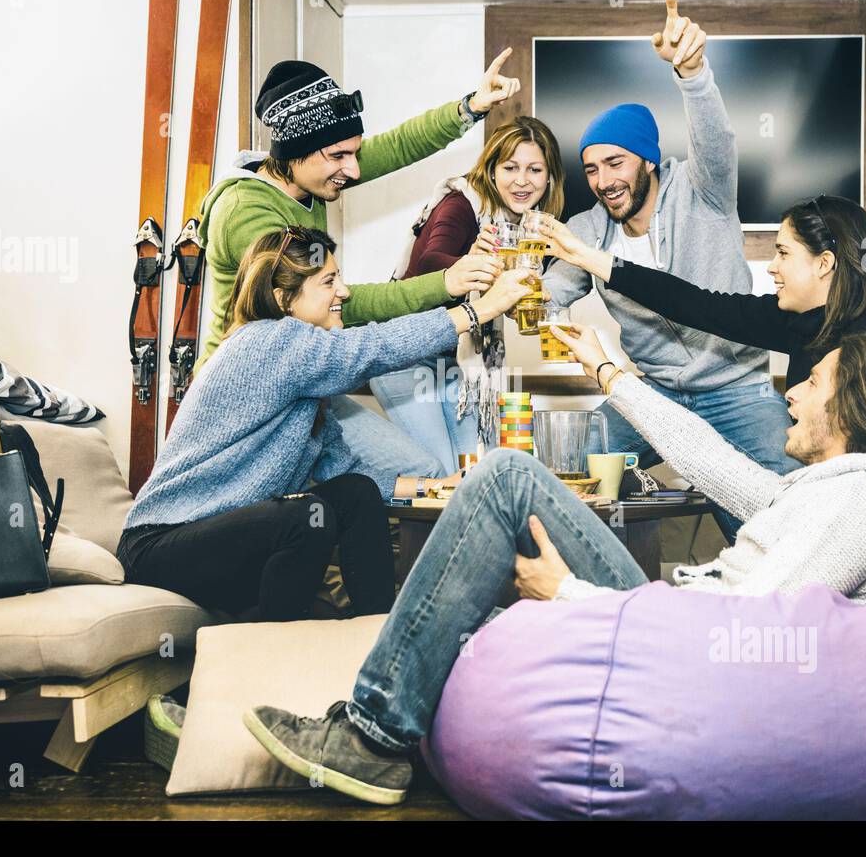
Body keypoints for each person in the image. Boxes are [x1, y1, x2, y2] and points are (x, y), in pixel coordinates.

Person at [243, 326, 866, 803]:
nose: (791, 394)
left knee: (503, 479)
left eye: (813, 382)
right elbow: (709, 461)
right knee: (483, 585)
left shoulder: (861, 500)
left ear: (859, 403)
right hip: (667, 615)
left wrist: (571, 592)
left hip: (677, 645)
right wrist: (608, 371)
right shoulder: (830, 490)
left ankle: (372, 734)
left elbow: (740, 638)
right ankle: (371, 726)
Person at [117, 227, 530, 622]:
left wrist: (439, 486)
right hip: (161, 547)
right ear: (283, 299)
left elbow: (346, 473)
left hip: (220, 544)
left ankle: (377, 633)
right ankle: (273, 657)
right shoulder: (268, 340)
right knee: (307, 514)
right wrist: (477, 311)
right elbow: (372, 348)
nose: (344, 292)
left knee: (354, 492)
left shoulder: (306, 381)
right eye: (329, 281)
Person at [192, 53, 522, 481]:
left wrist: (470, 107)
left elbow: (400, 145)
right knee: (395, 479)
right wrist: (446, 283)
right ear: (297, 152)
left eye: (355, 153)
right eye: (339, 156)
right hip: (245, 396)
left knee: (416, 473)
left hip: (304, 376)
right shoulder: (247, 212)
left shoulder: (309, 174)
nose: (354, 169)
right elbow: (338, 303)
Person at [541, 0, 797, 536]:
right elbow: (547, 297)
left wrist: (692, 71)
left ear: (648, 160)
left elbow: (717, 140)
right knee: (567, 462)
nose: (604, 180)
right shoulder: (587, 229)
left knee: (777, 513)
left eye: (616, 162)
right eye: (590, 169)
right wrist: (510, 282)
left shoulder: (703, 191)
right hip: (654, 391)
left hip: (737, 387)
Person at [542, 193, 866, 391]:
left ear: (824, 263)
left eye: (783, 253)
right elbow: (693, 304)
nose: (772, 266)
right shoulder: (795, 320)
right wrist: (588, 257)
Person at [370, 116, 566, 473]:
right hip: (406, 357)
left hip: (459, 365)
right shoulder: (462, 202)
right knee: (440, 474)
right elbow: (431, 261)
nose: (522, 180)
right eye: (510, 167)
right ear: (491, 171)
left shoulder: (528, 230)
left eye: (535, 169)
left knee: (477, 471)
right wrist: (473, 263)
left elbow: (506, 303)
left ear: (549, 177)